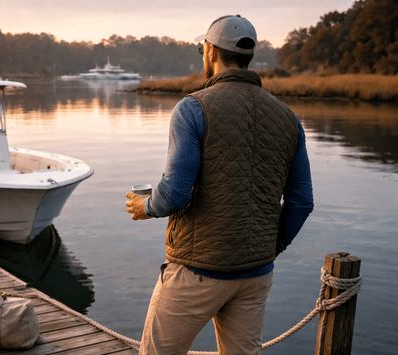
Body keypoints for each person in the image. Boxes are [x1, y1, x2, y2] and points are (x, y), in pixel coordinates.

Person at [125, 14, 314, 355]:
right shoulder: (289, 118)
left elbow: (175, 193)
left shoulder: (193, 108)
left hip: (197, 272)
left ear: (211, 51)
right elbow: (301, 203)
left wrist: (145, 205)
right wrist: (271, 246)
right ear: (248, 57)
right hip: (256, 275)